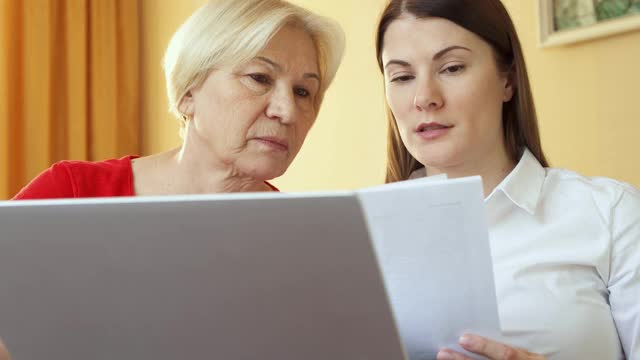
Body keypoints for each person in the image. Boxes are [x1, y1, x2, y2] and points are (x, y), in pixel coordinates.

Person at [375, 0, 639, 359]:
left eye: (452, 68)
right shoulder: (360, 236)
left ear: (508, 80)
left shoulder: (612, 215)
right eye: (402, 77)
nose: (424, 98)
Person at [13, 0, 344, 199]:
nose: (287, 111)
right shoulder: (72, 192)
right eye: (259, 78)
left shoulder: (303, 238)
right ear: (188, 93)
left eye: (303, 92)